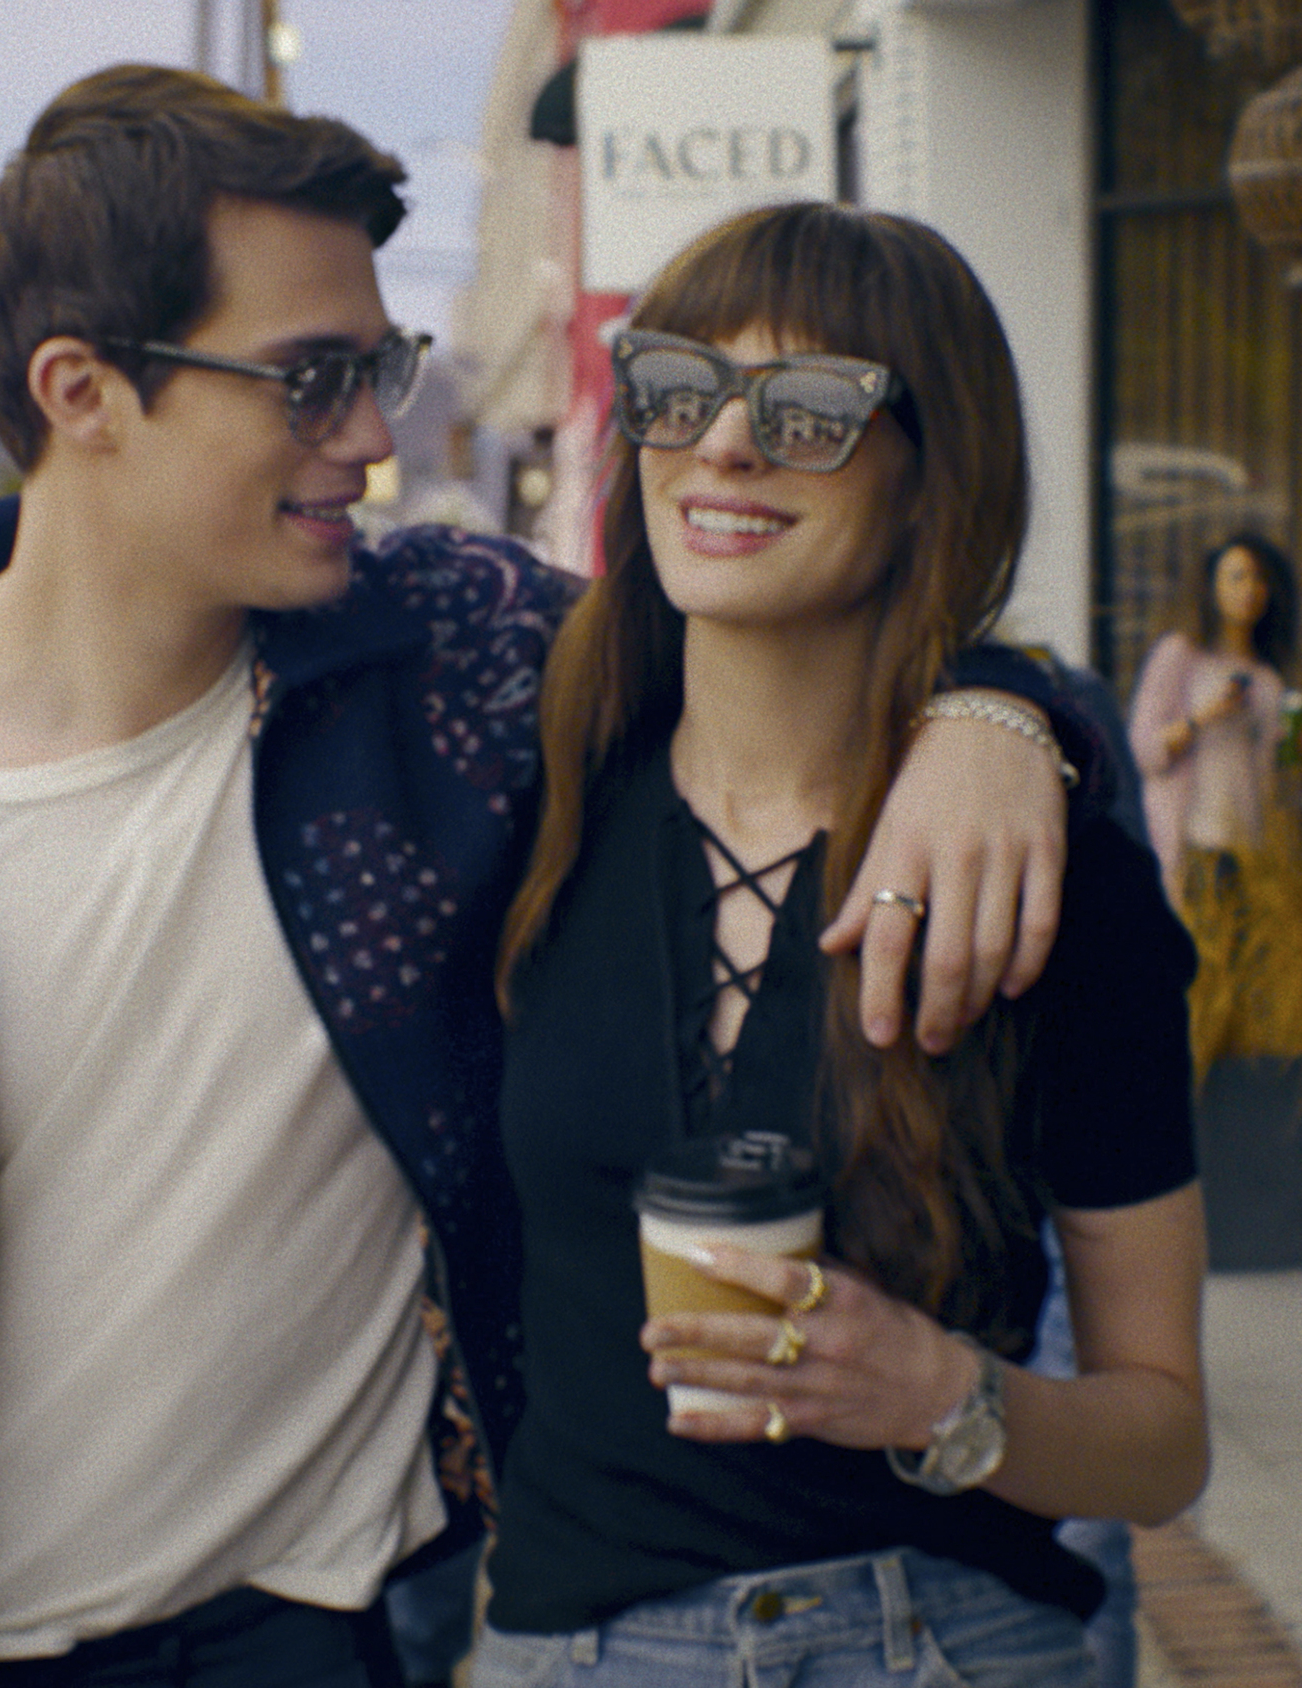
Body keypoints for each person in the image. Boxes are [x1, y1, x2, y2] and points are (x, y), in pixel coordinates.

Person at [0, 67, 1085, 1688]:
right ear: (82, 389)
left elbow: (798, 641)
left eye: (381, 364)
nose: (375, 431)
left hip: (374, 1629)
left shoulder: (460, 666)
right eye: (312, 379)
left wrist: (999, 708)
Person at [473, 203, 1206, 1687]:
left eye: (809, 413)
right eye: (678, 389)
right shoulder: (525, 801)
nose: (724, 448)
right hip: (583, 1649)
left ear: (935, 477)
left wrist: (947, 1395)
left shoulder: (1060, 890)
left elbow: (1161, 1441)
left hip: (939, 1638)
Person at [1128, 534, 1297, 913]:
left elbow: (1279, 769)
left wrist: (1294, 747)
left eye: (1259, 579)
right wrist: (1204, 716)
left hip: (1249, 840)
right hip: (1191, 838)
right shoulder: (1180, 654)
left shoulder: (1268, 677)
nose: (1249, 590)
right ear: (1212, 587)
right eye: (1236, 578)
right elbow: (1143, 752)